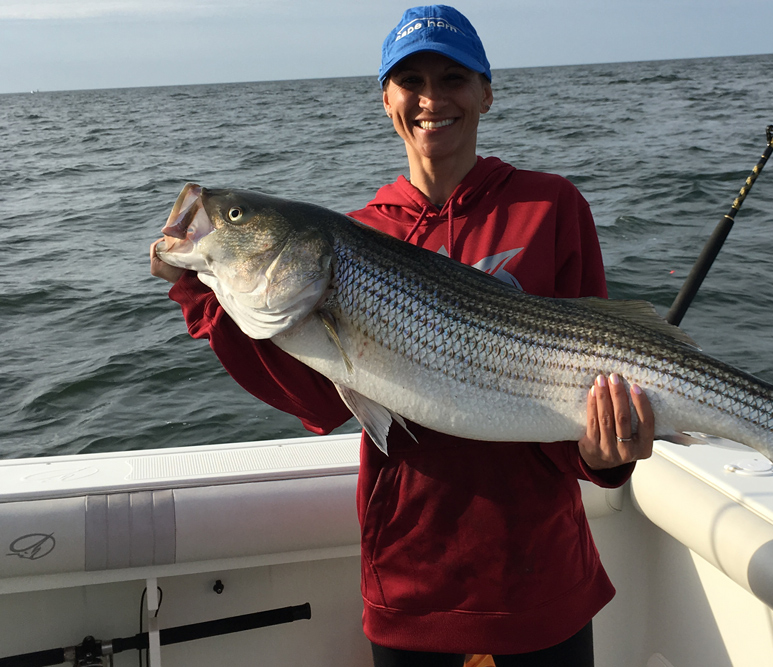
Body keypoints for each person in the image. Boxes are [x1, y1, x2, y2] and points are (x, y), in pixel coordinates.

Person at [150, 5, 655, 665]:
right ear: (385, 96)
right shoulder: (356, 233)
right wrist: (198, 289)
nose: (431, 98)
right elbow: (319, 400)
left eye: (453, 77)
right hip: (413, 591)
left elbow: (581, 402)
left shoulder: (551, 206)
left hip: (543, 586)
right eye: (410, 80)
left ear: (486, 92)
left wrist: (608, 452)